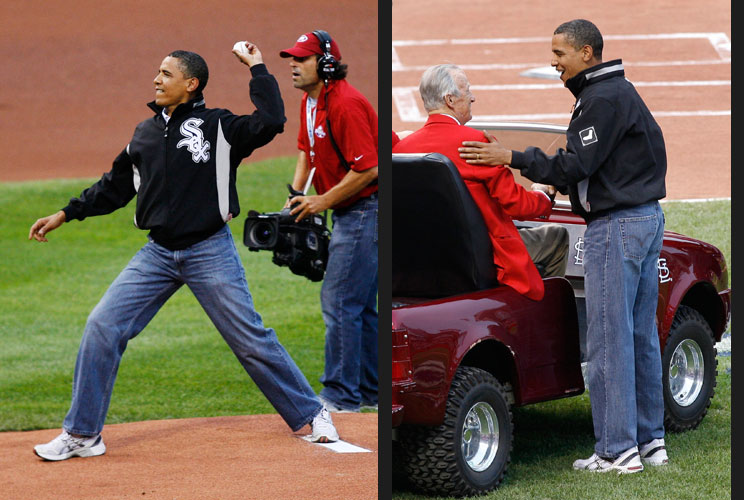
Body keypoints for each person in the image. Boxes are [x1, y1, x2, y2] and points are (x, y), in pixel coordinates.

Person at [29, 42, 339, 461]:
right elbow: (115, 187)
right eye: (157, 73)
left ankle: (312, 412)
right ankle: (83, 434)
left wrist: (258, 68)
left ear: (191, 84)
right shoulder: (145, 133)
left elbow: (271, 121)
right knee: (102, 325)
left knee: (249, 339)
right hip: (157, 254)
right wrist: (67, 213)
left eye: (166, 74)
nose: (156, 79)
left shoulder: (220, 127)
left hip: (208, 249)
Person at [458, 19, 668, 473]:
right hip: (646, 218)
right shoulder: (619, 92)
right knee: (640, 337)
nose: (553, 61)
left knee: (609, 343)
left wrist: (512, 158)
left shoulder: (602, 99)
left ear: (587, 54)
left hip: (616, 227)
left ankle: (617, 451)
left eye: (560, 53)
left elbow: (576, 163)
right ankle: (651, 442)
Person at [394, 64, 568, 301]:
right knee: (557, 237)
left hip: (420, 261)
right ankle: (541, 318)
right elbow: (519, 206)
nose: (473, 97)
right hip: (483, 257)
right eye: (467, 91)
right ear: (450, 99)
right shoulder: (475, 143)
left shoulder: (403, 149)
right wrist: (543, 195)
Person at [279, 31, 378, 413]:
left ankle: (340, 396)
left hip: (368, 208)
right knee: (362, 306)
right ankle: (370, 391)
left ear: (325, 64)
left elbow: (368, 169)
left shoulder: (346, 104)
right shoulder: (310, 101)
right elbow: (306, 150)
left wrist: (320, 201)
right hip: (353, 208)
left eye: (301, 59)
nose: (293, 64)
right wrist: (294, 195)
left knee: (339, 302)